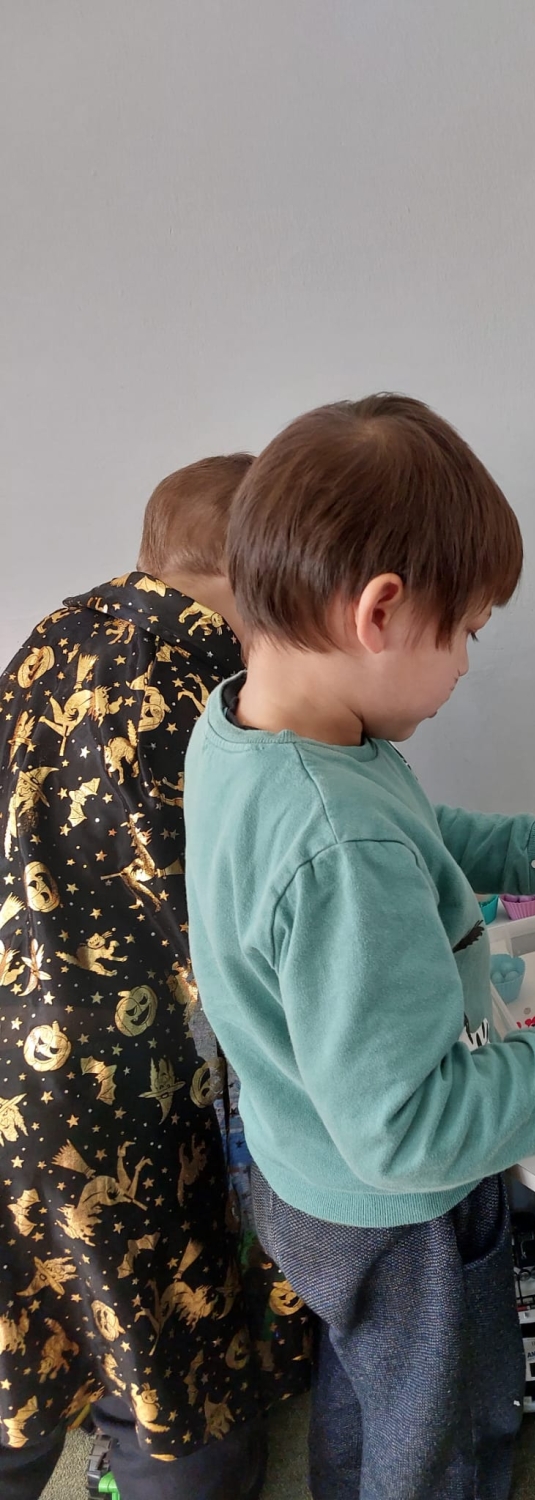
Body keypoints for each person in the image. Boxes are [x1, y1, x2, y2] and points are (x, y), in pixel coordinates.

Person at [183, 393, 535, 1500]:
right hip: (399, 1218)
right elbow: (416, 1133)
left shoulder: (256, 729)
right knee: (434, 1428)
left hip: (305, 1166)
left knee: (374, 1377)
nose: (470, 664)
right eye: (469, 631)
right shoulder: (338, 847)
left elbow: (406, 834)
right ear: (381, 612)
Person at [0, 456, 311, 1500]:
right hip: (110, 1085)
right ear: (251, 570)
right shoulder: (191, 682)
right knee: (166, 1359)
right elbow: (229, 905)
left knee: (29, 1315)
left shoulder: (53, 635)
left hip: (13, 1037)